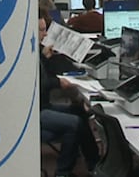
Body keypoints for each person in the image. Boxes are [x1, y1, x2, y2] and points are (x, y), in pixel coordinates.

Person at [39, 11, 99, 176]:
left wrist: (45, 57)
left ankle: (94, 162)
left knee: (80, 111)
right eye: (41, 30)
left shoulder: (37, 52)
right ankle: (62, 172)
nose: (45, 34)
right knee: (74, 123)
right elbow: (37, 84)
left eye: (45, 30)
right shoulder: (28, 56)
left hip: (43, 105)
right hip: (35, 113)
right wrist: (58, 82)